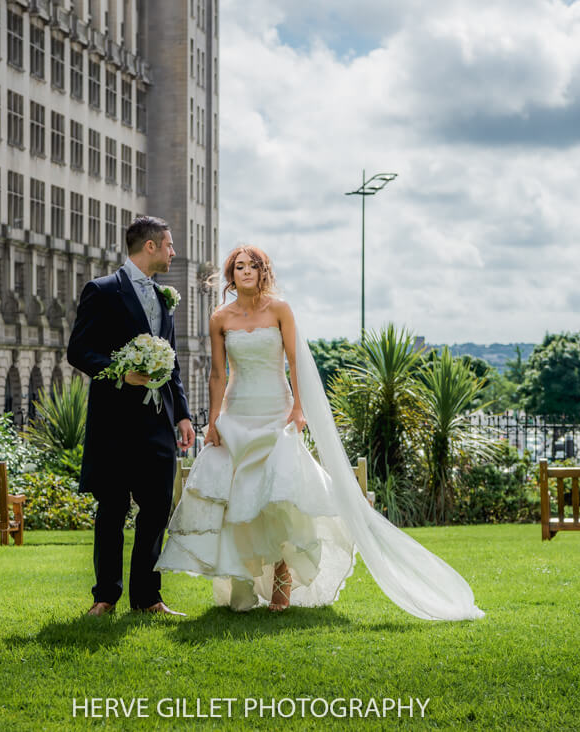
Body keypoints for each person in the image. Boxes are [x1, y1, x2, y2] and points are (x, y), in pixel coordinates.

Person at [155, 246, 484, 619]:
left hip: (275, 414)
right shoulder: (220, 318)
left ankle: (282, 578)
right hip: (238, 414)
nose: (246, 271)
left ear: (264, 272)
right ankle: (241, 583)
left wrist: (298, 408)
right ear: (231, 275)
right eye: (239, 267)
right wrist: (213, 421)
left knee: (277, 497)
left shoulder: (280, 310)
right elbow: (217, 374)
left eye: (253, 266)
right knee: (237, 499)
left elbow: (295, 362)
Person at [67, 216, 195, 617]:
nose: (174, 252)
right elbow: (78, 351)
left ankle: (147, 598)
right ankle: (105, 597)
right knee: (112, 510)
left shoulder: (164, 298)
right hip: (115, 424)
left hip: (158, 424)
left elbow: (171, 363)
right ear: (151, 246)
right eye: (170, 245)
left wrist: (184, 416)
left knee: (156, 509)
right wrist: (119, 371)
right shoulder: (102, 291)